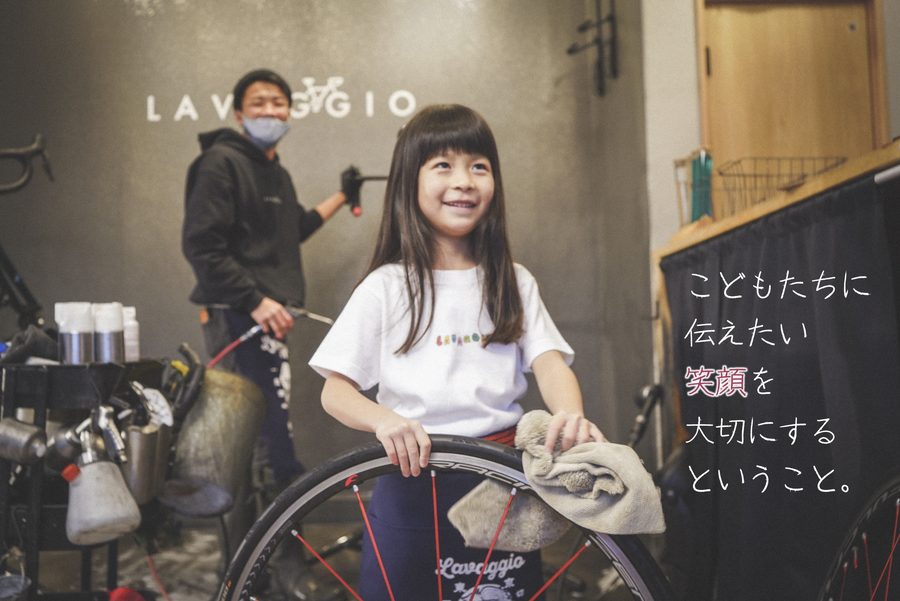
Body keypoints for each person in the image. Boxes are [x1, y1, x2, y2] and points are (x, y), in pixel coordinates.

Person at [308, 104, 605, 600]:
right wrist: (385, 421)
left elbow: (550, 362)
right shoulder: (385, 286)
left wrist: (570, 414)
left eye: (479, 166)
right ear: (409, 181)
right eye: (443, 165)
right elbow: (334, 392)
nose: (464, 181)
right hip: (410, 480)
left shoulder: (514, 280)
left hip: (502, 483)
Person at [182, 68, 346, 502]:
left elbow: (293, 228)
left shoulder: (276, 173)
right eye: (259, 103)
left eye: (278, 103)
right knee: (249, 440)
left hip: (269, 319)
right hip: (238, 317)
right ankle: (255, 543)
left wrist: (342, 197)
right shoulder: (220, 163)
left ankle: (272, 538)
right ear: (239, 113)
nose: (270, 111)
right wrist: (255, 300)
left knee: (271, 436)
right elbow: (202, 246)